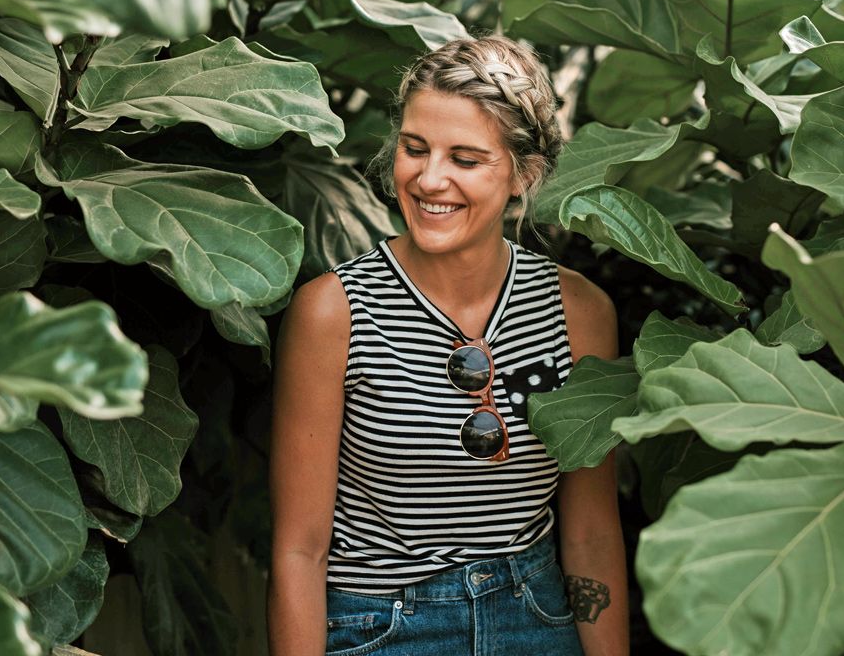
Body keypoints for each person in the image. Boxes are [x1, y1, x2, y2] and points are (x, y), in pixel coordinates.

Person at [269, 35, 628, 655]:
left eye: (465, 158)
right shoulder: (334, 313)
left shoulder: (581, 313)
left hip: (538, 621)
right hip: (379, 628)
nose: (429, 178)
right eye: (415, 149)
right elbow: (300, 549)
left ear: (524, 174)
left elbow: (592, 532)